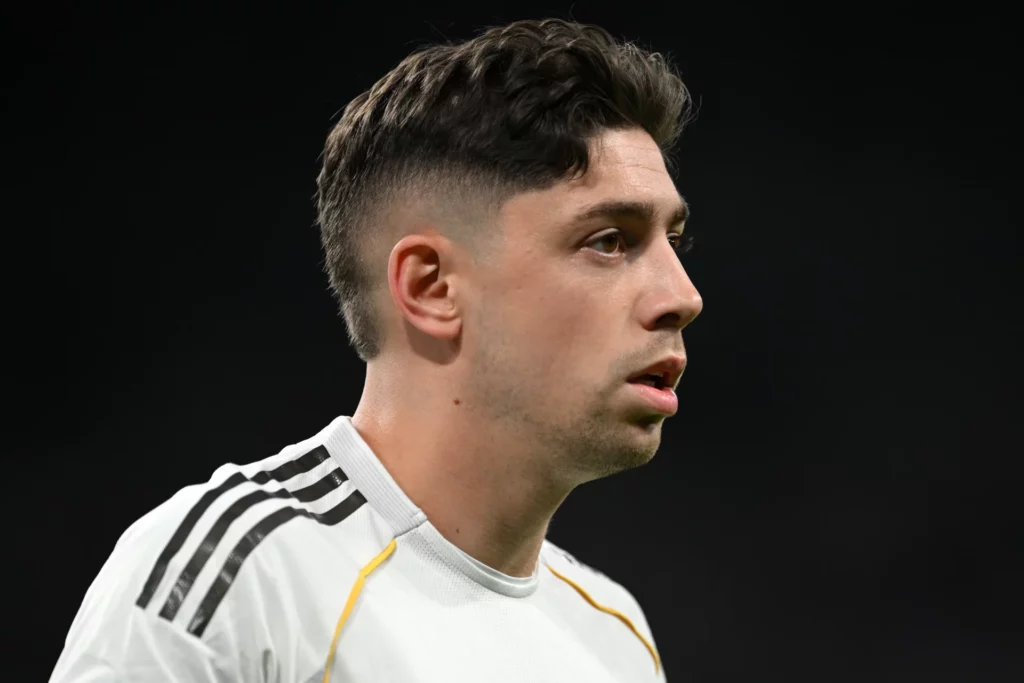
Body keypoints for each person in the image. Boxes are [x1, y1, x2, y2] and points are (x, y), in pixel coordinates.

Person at [50, 17, 702, 683]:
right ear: (431, 287)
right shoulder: (242, 581)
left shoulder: (616, 637)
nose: (682, 295)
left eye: (672, 241)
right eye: (610, 240)